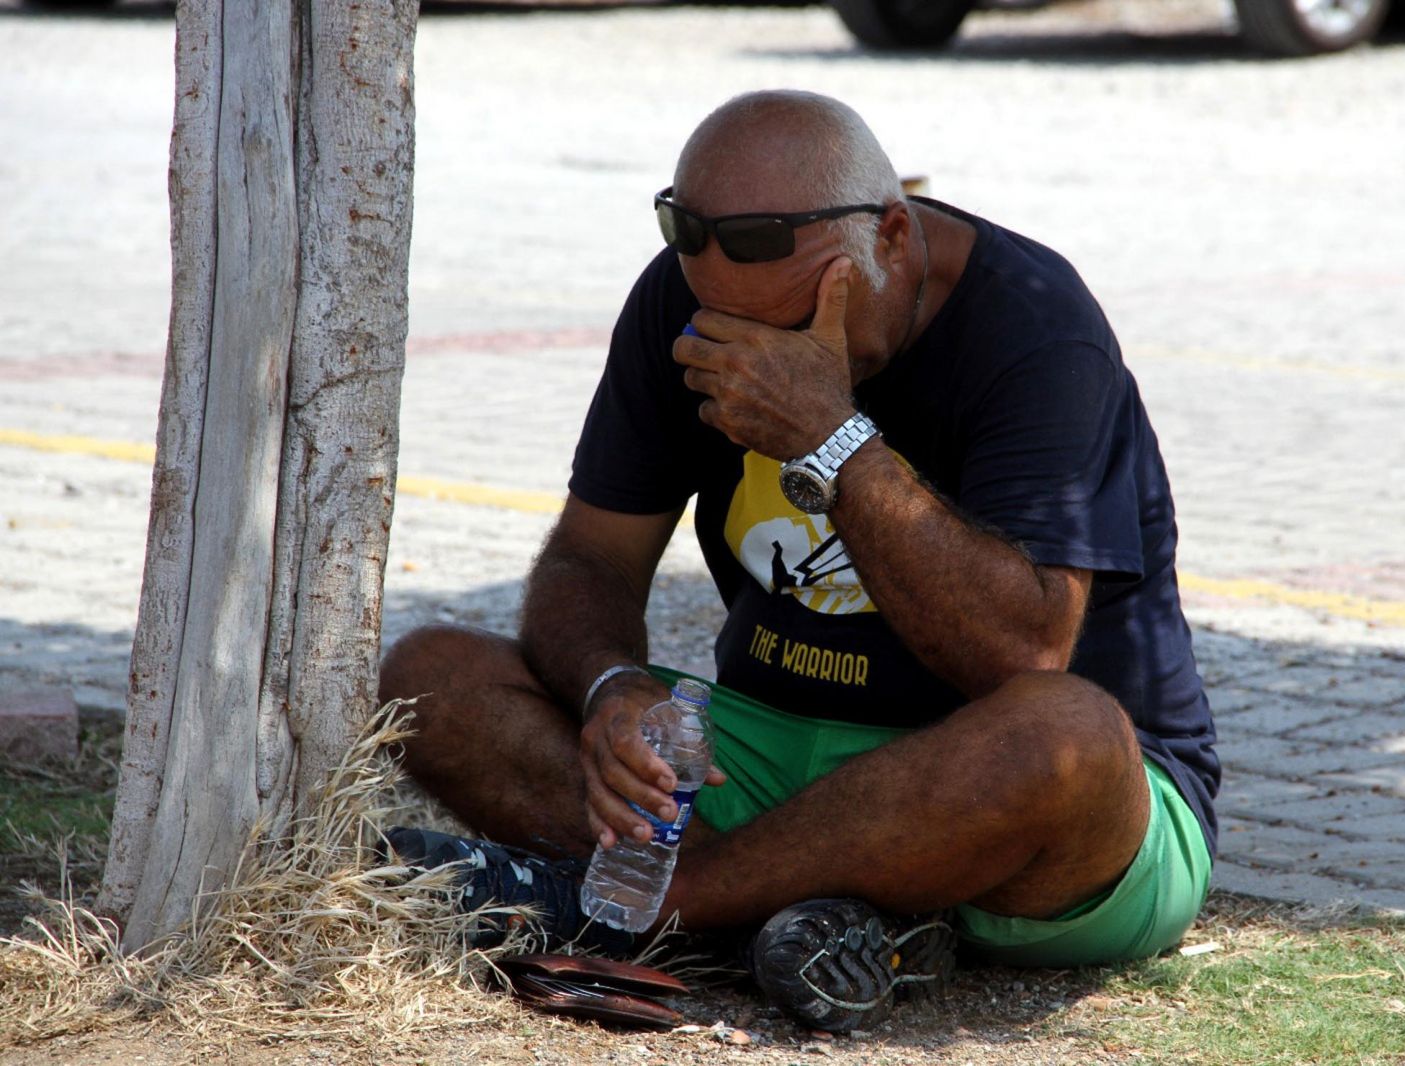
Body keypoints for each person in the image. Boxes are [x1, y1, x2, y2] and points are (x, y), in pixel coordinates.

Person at [379, 89, 1219, 1032]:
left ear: (892, 236)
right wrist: (610, 687)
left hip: (1014, 807)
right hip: (778, 767)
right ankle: (829, 923)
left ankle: (653, 907)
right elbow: (590, 557)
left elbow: (1021, 657)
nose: (757, 358)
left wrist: (832, 434)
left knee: (1063, 732)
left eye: (794, 324)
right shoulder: (687, 300)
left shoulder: (1035, 326)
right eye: (728, 329)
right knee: (432, 677)